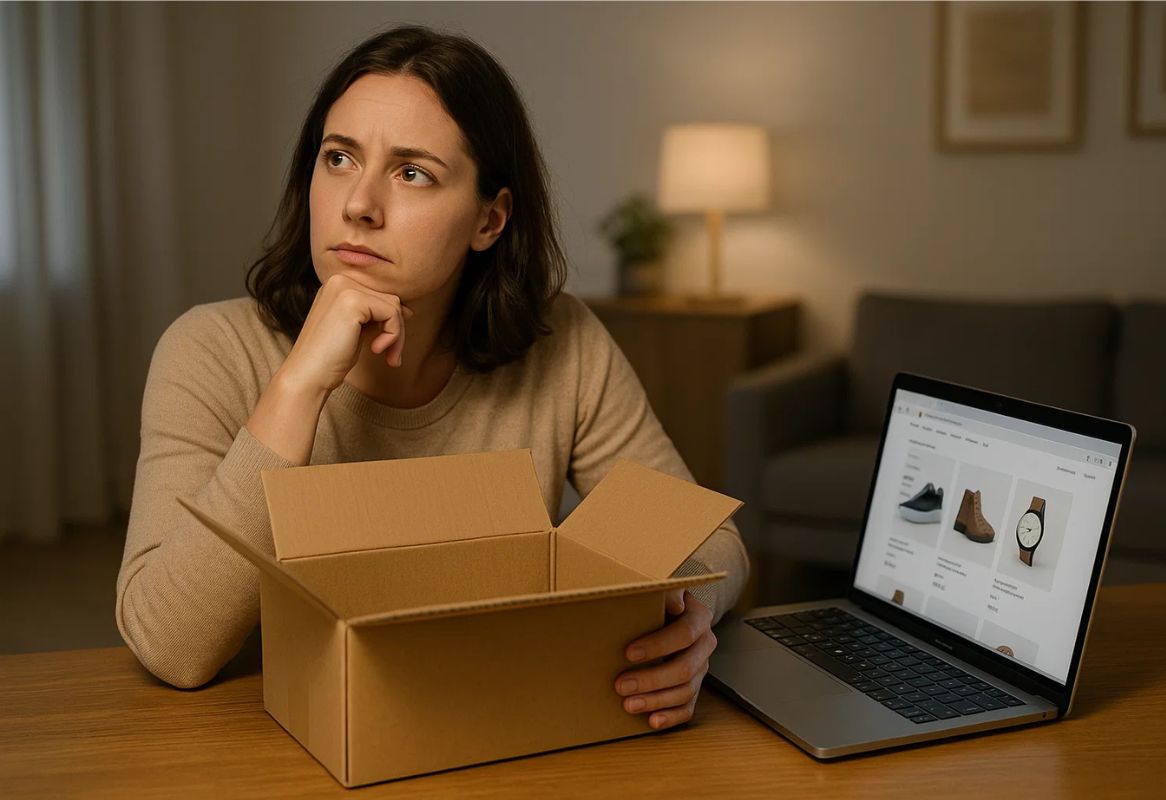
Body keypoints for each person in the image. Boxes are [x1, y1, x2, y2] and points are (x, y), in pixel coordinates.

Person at [116, 25, 748, 733]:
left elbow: (709, 537)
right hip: (280, 734)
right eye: (338, 158)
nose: (358, 204)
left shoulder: (560, 343)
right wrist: (295, 391)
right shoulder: (210, 349)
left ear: (489, 219)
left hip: (490, 725)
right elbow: (170, 647)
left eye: (412, 172)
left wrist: (690, 621)